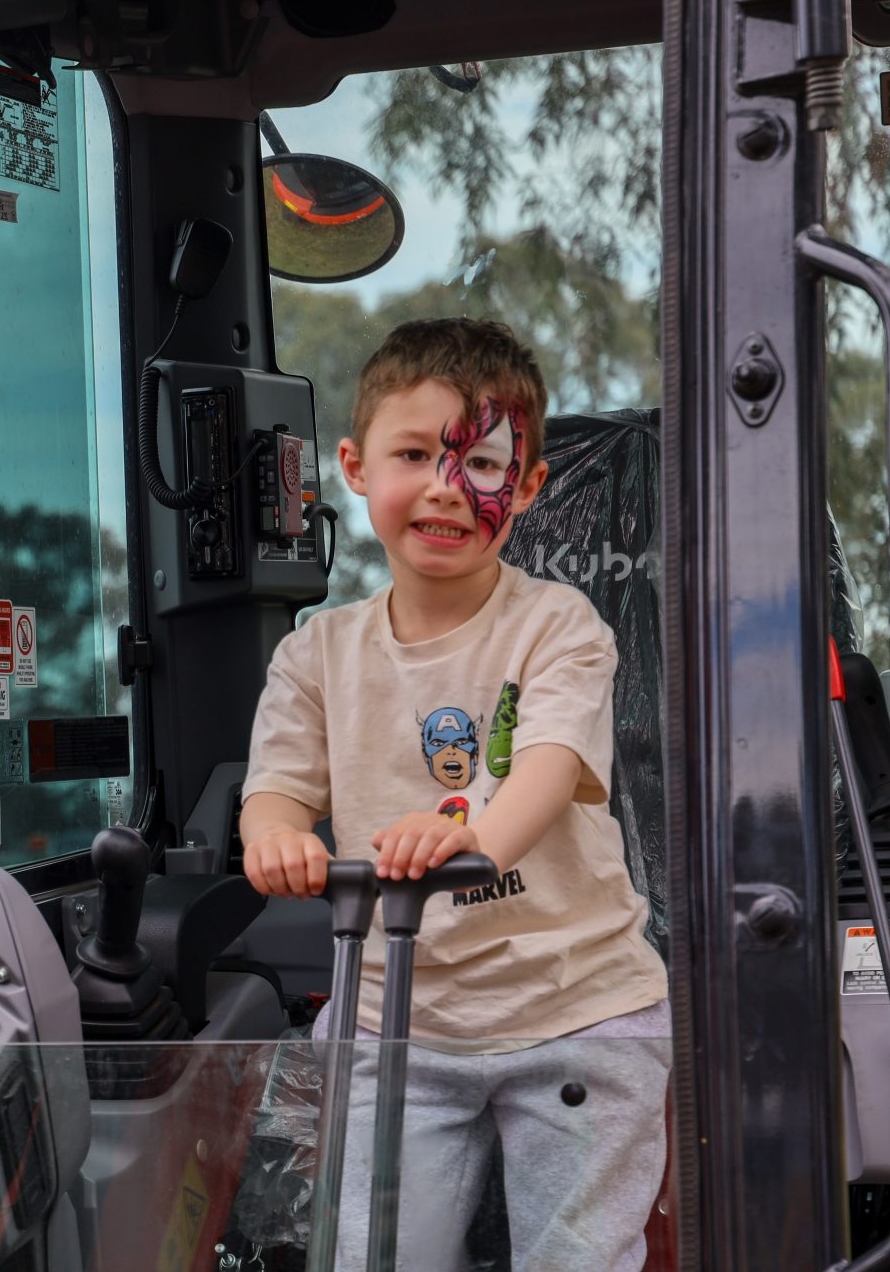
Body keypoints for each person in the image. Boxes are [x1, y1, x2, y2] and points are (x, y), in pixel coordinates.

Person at [240, 318, 670, 1271]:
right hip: (398, 1026)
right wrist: (276, 839)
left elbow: (545, 774)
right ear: (352, 466)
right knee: (368, 1257)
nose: (446, 485)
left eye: (481, 461)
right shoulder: (316, 655)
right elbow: (273, 795)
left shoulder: (561, 627)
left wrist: (465, 834)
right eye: (415, 454)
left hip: (579, 1015)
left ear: (526, 487)